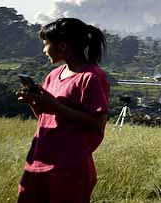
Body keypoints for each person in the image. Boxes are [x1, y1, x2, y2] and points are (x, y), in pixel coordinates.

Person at [16, 17, 111, 203]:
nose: (44, 50)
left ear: (62, 46)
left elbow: (98, 122)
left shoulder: (91, 78)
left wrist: (57, 107)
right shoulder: (53, 76)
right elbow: (46, 117)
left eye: (46, 44)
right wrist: (33, 102)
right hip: (39, 160)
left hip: (69, 166)